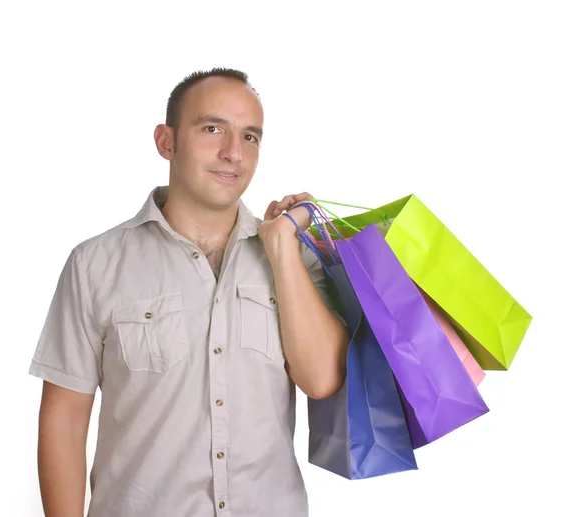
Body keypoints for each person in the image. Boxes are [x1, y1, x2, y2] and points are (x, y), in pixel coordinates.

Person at [28, 67, 350, 517]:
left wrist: (281, 249)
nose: (233, 153)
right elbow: (64, 419)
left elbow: (321, 380)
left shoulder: (291, 259)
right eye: (212, 128)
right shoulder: (94, 265)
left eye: (250, 137)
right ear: (167, 141)